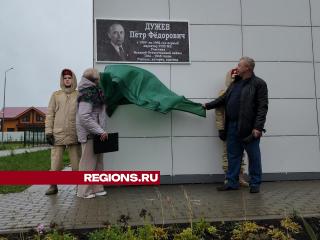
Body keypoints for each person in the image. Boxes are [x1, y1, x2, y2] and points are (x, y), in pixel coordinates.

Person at [202, 57, 268, 193]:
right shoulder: (235, 83)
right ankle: (232, 182)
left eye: (239, 65)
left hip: (248, 127)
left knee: (253, 156)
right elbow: (224, 98)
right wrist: (207, 105)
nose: (237, 67)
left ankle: (255, 183)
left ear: (247, 67)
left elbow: (262, 107)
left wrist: (258, 127)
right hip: (231, 125)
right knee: (233, 155)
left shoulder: (259, 83)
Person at [45, 69, 81, 195]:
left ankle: (80, 186)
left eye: (69, 78)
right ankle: (53, 186)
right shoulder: (56, 95)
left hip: (74, 133)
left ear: (73, 80)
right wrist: (48, 132)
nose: (67, 79)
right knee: (56, 164)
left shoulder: (78, 94)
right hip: (58, 134)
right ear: (62, 80)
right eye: (65, 78)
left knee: (77, 165)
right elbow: (50, 114)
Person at [76, 68, 108, 199]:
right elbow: (84, 116)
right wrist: (100, 130)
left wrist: (101, 131)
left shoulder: (95, 91)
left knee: (98, 163)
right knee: (87, 164)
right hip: (91, 134)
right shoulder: (87, 94)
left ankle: (97, 187)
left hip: (98, 133)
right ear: (94, 79)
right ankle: (84, 192)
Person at [215, 69, 249, 187]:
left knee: (242, 153)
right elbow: (219, 113)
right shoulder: (223, 93)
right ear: (229, 79)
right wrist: (221, 129)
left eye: (238, 77)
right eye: (234, 77)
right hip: (229, 128)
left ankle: (239, 176)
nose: (236, 79)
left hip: (242, 128)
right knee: (227, 153)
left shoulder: (245, 92)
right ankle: (228, 177)